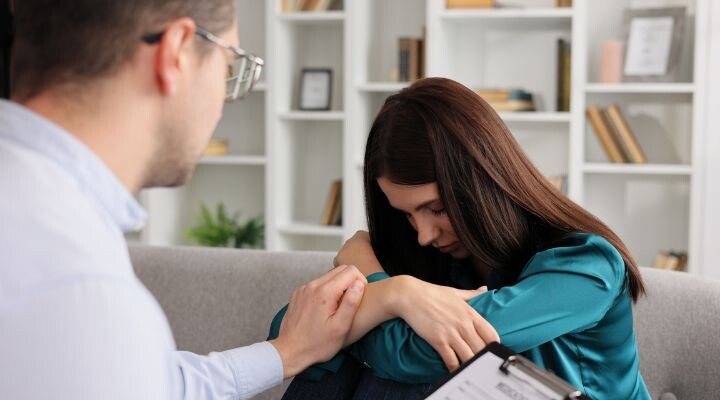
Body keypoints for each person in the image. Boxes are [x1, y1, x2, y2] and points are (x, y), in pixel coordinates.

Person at [0, 1, 369, 399]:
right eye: (229, 68)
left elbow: (148, 381)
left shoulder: (44, 221)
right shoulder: (80, 287)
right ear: (175, 52)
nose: (224, 102)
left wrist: (285, 353)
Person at [271, 77, 652, 400]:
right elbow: (287, 336)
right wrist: (395, 294)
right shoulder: (441, 258)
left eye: (436, 209)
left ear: (483, 183)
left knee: (393, 369)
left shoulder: (587, 266)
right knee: (333, 364)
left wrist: (372, 275)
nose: (422, 235)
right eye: (406, 214)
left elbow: (415, 356)